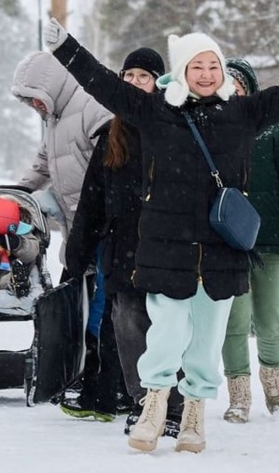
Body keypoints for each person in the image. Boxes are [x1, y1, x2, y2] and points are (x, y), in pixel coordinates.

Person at [42, 17, 279, 454]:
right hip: (166, 248)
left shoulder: (243, 113)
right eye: (198, 66)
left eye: (214, 65)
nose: (208, 73)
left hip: (221, 251)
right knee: (167, 334)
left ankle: (194, 413)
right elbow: (102, 84)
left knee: (207, 340)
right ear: (182, 71)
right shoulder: (157, 113)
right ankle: (154, 405)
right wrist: (66, 49)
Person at [64, 47, 183, 437]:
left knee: (166, 327)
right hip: (122, 249)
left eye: (142, 77)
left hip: (167, 247)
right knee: (126, 324)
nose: (134, 84)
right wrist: (77, 253)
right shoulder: (110, 137)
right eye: (128, 76)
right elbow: (92, 200)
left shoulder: (172, 127)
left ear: (158, 84)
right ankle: (144, 403)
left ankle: (174, 405)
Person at [10, 50, 113, 413]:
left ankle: (102, 375)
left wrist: (101, 206)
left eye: (35, 96)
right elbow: (43, 162)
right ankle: (80, 370)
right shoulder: (55, 118)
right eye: (29, 101)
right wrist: (20, 192)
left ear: (51, 85)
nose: (34, 105)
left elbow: (112, 154)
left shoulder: (89, 105)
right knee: (80, 299)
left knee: (101, 302)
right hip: (80, 228)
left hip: (105, 224)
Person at [219, 57, 279, 422]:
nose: (232, 92)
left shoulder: (276, 133)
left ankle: (272, 379)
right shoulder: (212, 132)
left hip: (272, 241)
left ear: (251, 90)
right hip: (229, 243)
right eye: (226, 86)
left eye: (238, 85)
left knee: (270, 318)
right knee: (234, 321)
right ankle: (239, 396)